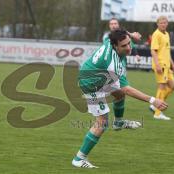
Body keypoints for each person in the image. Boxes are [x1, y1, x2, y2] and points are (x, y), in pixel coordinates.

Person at [72, 29, 168, 168]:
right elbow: (127, 89)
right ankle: (79, 159)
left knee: (119, 94)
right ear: (115, 46)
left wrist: (131, 35)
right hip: (90, 84)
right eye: (124, 46)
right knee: (102, 122)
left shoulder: (110, 40)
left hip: (99, 75)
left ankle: (118, 123)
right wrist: (153, 100)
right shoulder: (113, 65)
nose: (129, 47)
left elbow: (118, 32)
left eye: (129, 43)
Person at [150, 16, 174, 120]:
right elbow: (153, 51)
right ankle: (157, 113)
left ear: (167, 23)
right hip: (160, 65)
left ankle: (155, 104)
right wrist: (157, 64)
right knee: (162, 87)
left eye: (165, 23)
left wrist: (172, 64)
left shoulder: (167, 34)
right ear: (158, 24)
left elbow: (167, 51)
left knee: (172, 86)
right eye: (161, 23)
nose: (163, 24)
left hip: (167, 66)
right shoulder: (156, 34)